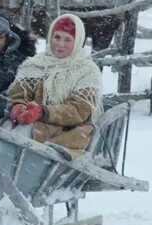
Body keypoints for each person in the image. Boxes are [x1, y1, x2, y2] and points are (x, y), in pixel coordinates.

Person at [6, 13, 102, 159]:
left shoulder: (87, 70)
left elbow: (79, 110)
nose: (60, 44)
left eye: (68, 40)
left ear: (78, 42)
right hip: (29, 122)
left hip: (67, 130)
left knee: (22, 134)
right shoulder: (35, 64)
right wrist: (18, 107)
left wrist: (42, 112)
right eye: (57, 37)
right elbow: (19, 94)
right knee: (5, 133)